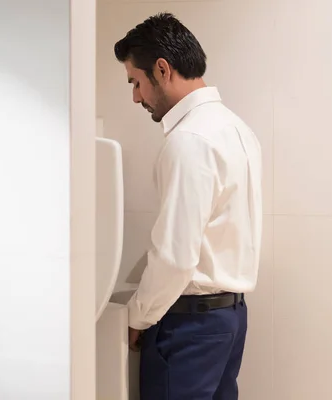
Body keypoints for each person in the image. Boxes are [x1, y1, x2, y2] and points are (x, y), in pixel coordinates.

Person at [113, 12, 263, 400]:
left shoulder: (190, 139)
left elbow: (177, 257)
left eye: (136, 82)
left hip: (188, 328)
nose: (135, 97)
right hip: (228, 319)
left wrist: (138, 316)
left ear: (162, 69)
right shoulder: (235, 128)